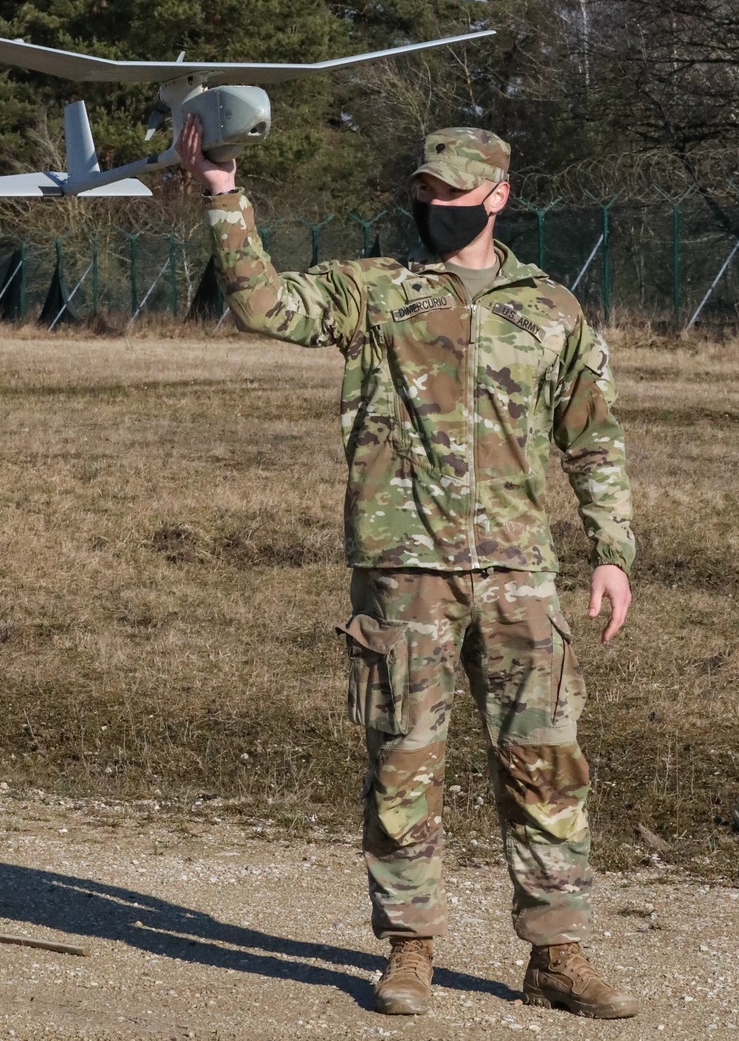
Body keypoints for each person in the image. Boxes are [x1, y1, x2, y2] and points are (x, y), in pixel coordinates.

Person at [177, 119, 639, 1022]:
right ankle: (410, 948)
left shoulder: (553, 309)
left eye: (455, 194)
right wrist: (223, 193)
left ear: (498, 196)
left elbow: (594, 438)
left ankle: (556, 952)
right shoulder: (374, 291)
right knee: (403, 762)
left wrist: (612, 552)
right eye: (425, 192)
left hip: (520, 574)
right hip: (404, 572)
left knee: (545, 761)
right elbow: (265, 305)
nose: (434, 207)